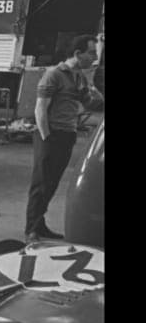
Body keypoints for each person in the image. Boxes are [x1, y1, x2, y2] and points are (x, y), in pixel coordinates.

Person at [25, 34, 103, 241]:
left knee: (51, 183)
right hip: (50, 135)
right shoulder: (54, 74)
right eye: (91, 53)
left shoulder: (78, 77)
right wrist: (46, 137)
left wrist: (94, 87)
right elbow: (40, 109)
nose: (94, 58)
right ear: (78, 53)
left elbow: (91, 104)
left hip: (67, 134)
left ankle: (39, 224)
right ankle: (31, 229)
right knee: (41, 183)